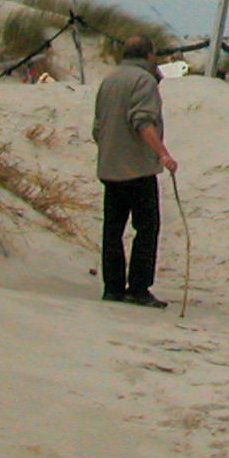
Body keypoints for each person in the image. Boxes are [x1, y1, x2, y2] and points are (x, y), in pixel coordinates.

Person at [91, 36, 177, 308]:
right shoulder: (144, 80)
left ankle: (113, 287)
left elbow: (98, 128)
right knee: (147, 228)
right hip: (137, 169)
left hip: (110, 167)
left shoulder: (110, 79)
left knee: (113, 230)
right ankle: (139, 288)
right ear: (148, 55)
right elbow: (142, 122)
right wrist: (162, 153)